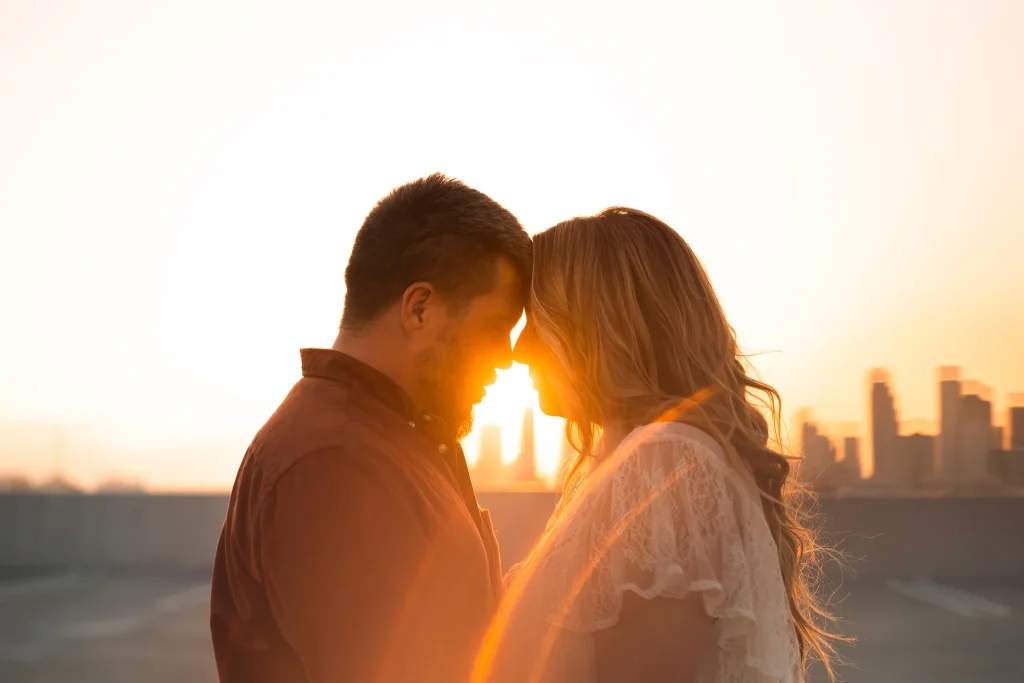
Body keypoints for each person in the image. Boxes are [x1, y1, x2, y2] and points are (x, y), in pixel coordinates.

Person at [479, 208, 842, 683]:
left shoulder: (666, 465)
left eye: (539, 318)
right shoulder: (635, 465)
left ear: (602, 326)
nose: (519, 347)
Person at [210, 173, 532, 683]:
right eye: (495, 327)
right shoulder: (333, 463)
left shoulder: (400, 435)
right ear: (419, 308)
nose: (508, 357)